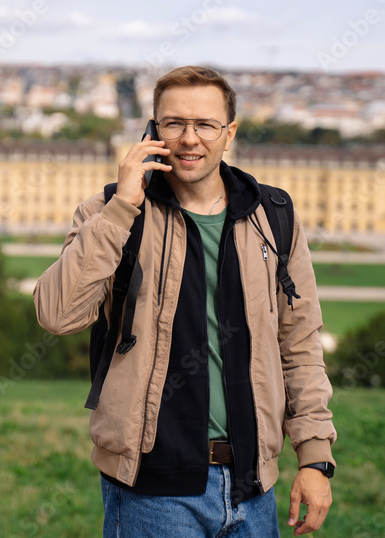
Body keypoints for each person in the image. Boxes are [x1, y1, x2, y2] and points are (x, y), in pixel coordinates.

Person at [34, 66, 336, 537]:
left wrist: (315, 456)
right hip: (153, 488)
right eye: (174, 123)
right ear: (152, 130)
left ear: (229, 133)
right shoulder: (110, 211)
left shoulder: (273, 216)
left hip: (252, 485)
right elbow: (56, 315)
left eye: (206, 125)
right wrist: (121, 210)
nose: (189, 139)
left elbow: (298, 344)